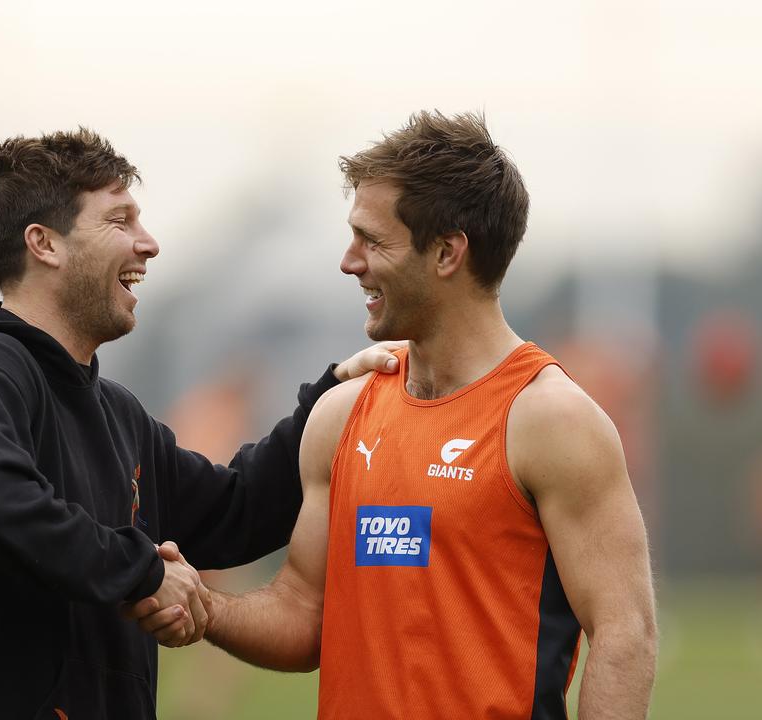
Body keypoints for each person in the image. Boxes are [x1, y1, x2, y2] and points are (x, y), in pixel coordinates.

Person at [0, 127, 399, 720]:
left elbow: (236, 511)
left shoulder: (116, 413)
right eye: (120, 222)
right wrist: (139, 574)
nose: (149, 244)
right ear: (45, 244)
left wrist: (335, 397)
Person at [132, 111, 658, 718]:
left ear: (446, 252)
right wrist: (204, 606)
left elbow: (625, 637)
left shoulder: (550, 420)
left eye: (372, 240)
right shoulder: (340, 414)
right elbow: (304, 615)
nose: (348, 261)